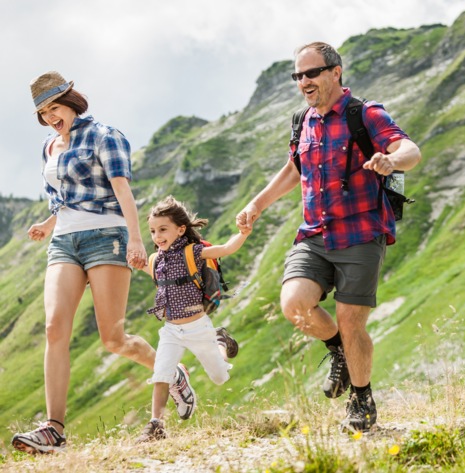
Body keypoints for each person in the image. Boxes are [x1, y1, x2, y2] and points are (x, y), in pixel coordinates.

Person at [236, 42, 421, 431]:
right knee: (295, 305)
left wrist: (391, 160)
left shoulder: (365, 114)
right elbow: (294, 169)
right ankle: (337, 350)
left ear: (335, 72)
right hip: (315, 234)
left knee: (352, 322)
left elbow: (410, 149)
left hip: (360, 233)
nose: (304, 81)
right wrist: (257, 203)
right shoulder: (302, 120)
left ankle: (361, 399)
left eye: (311, 72)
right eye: (297, 75)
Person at [12, 72, 196, 454]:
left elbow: (121, 190)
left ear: (71, 101)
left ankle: (174, 373)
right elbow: (64, 197)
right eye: (42, 112)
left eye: (54, 107)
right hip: (64, 240)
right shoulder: (49, 147)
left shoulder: (104, 135)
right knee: (53, 328)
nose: (49, 117)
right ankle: (54, 430)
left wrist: (134, 237)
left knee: (113, 339)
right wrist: (48, 224)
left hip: (106, 237)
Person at [136, 196, 250, 443]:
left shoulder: (194, 251)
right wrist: (134, 262)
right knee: (161, 374)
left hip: (198, 327)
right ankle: (156, 424)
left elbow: (226, 249)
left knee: (220, 377)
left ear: (181, 229)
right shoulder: (157, 260)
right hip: (171, 331)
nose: (157, 236)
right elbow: (145, 267)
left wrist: (242, 234)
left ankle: (221, 341)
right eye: (153, 231)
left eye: (163, 229)